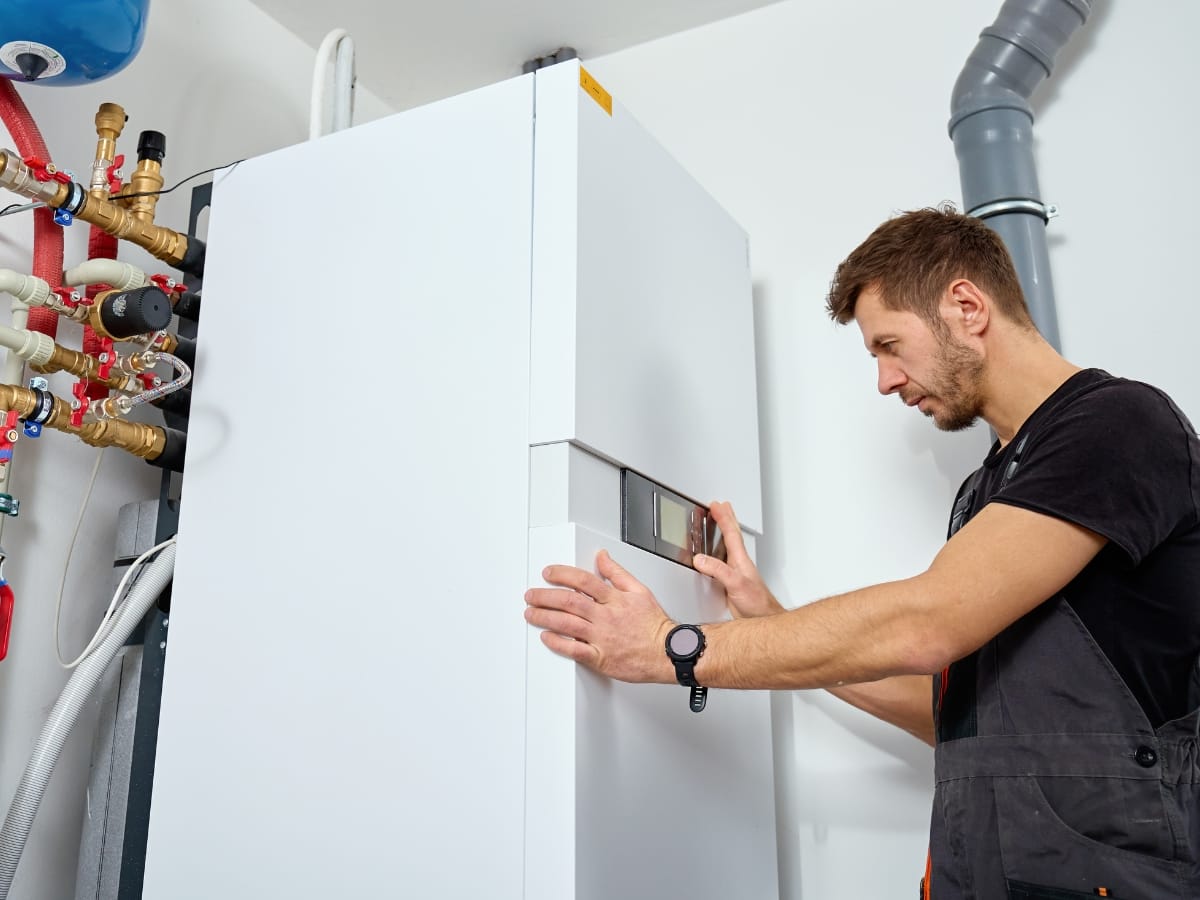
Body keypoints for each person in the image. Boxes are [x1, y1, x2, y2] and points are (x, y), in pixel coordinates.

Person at [523, 205, 1200, 899]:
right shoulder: (987, 487)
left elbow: (927, 623)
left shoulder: (1117, 423)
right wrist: (768, 620)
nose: (884, 380)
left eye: (889, 345)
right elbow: (960, 719)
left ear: (966, 306)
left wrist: (674, 649)